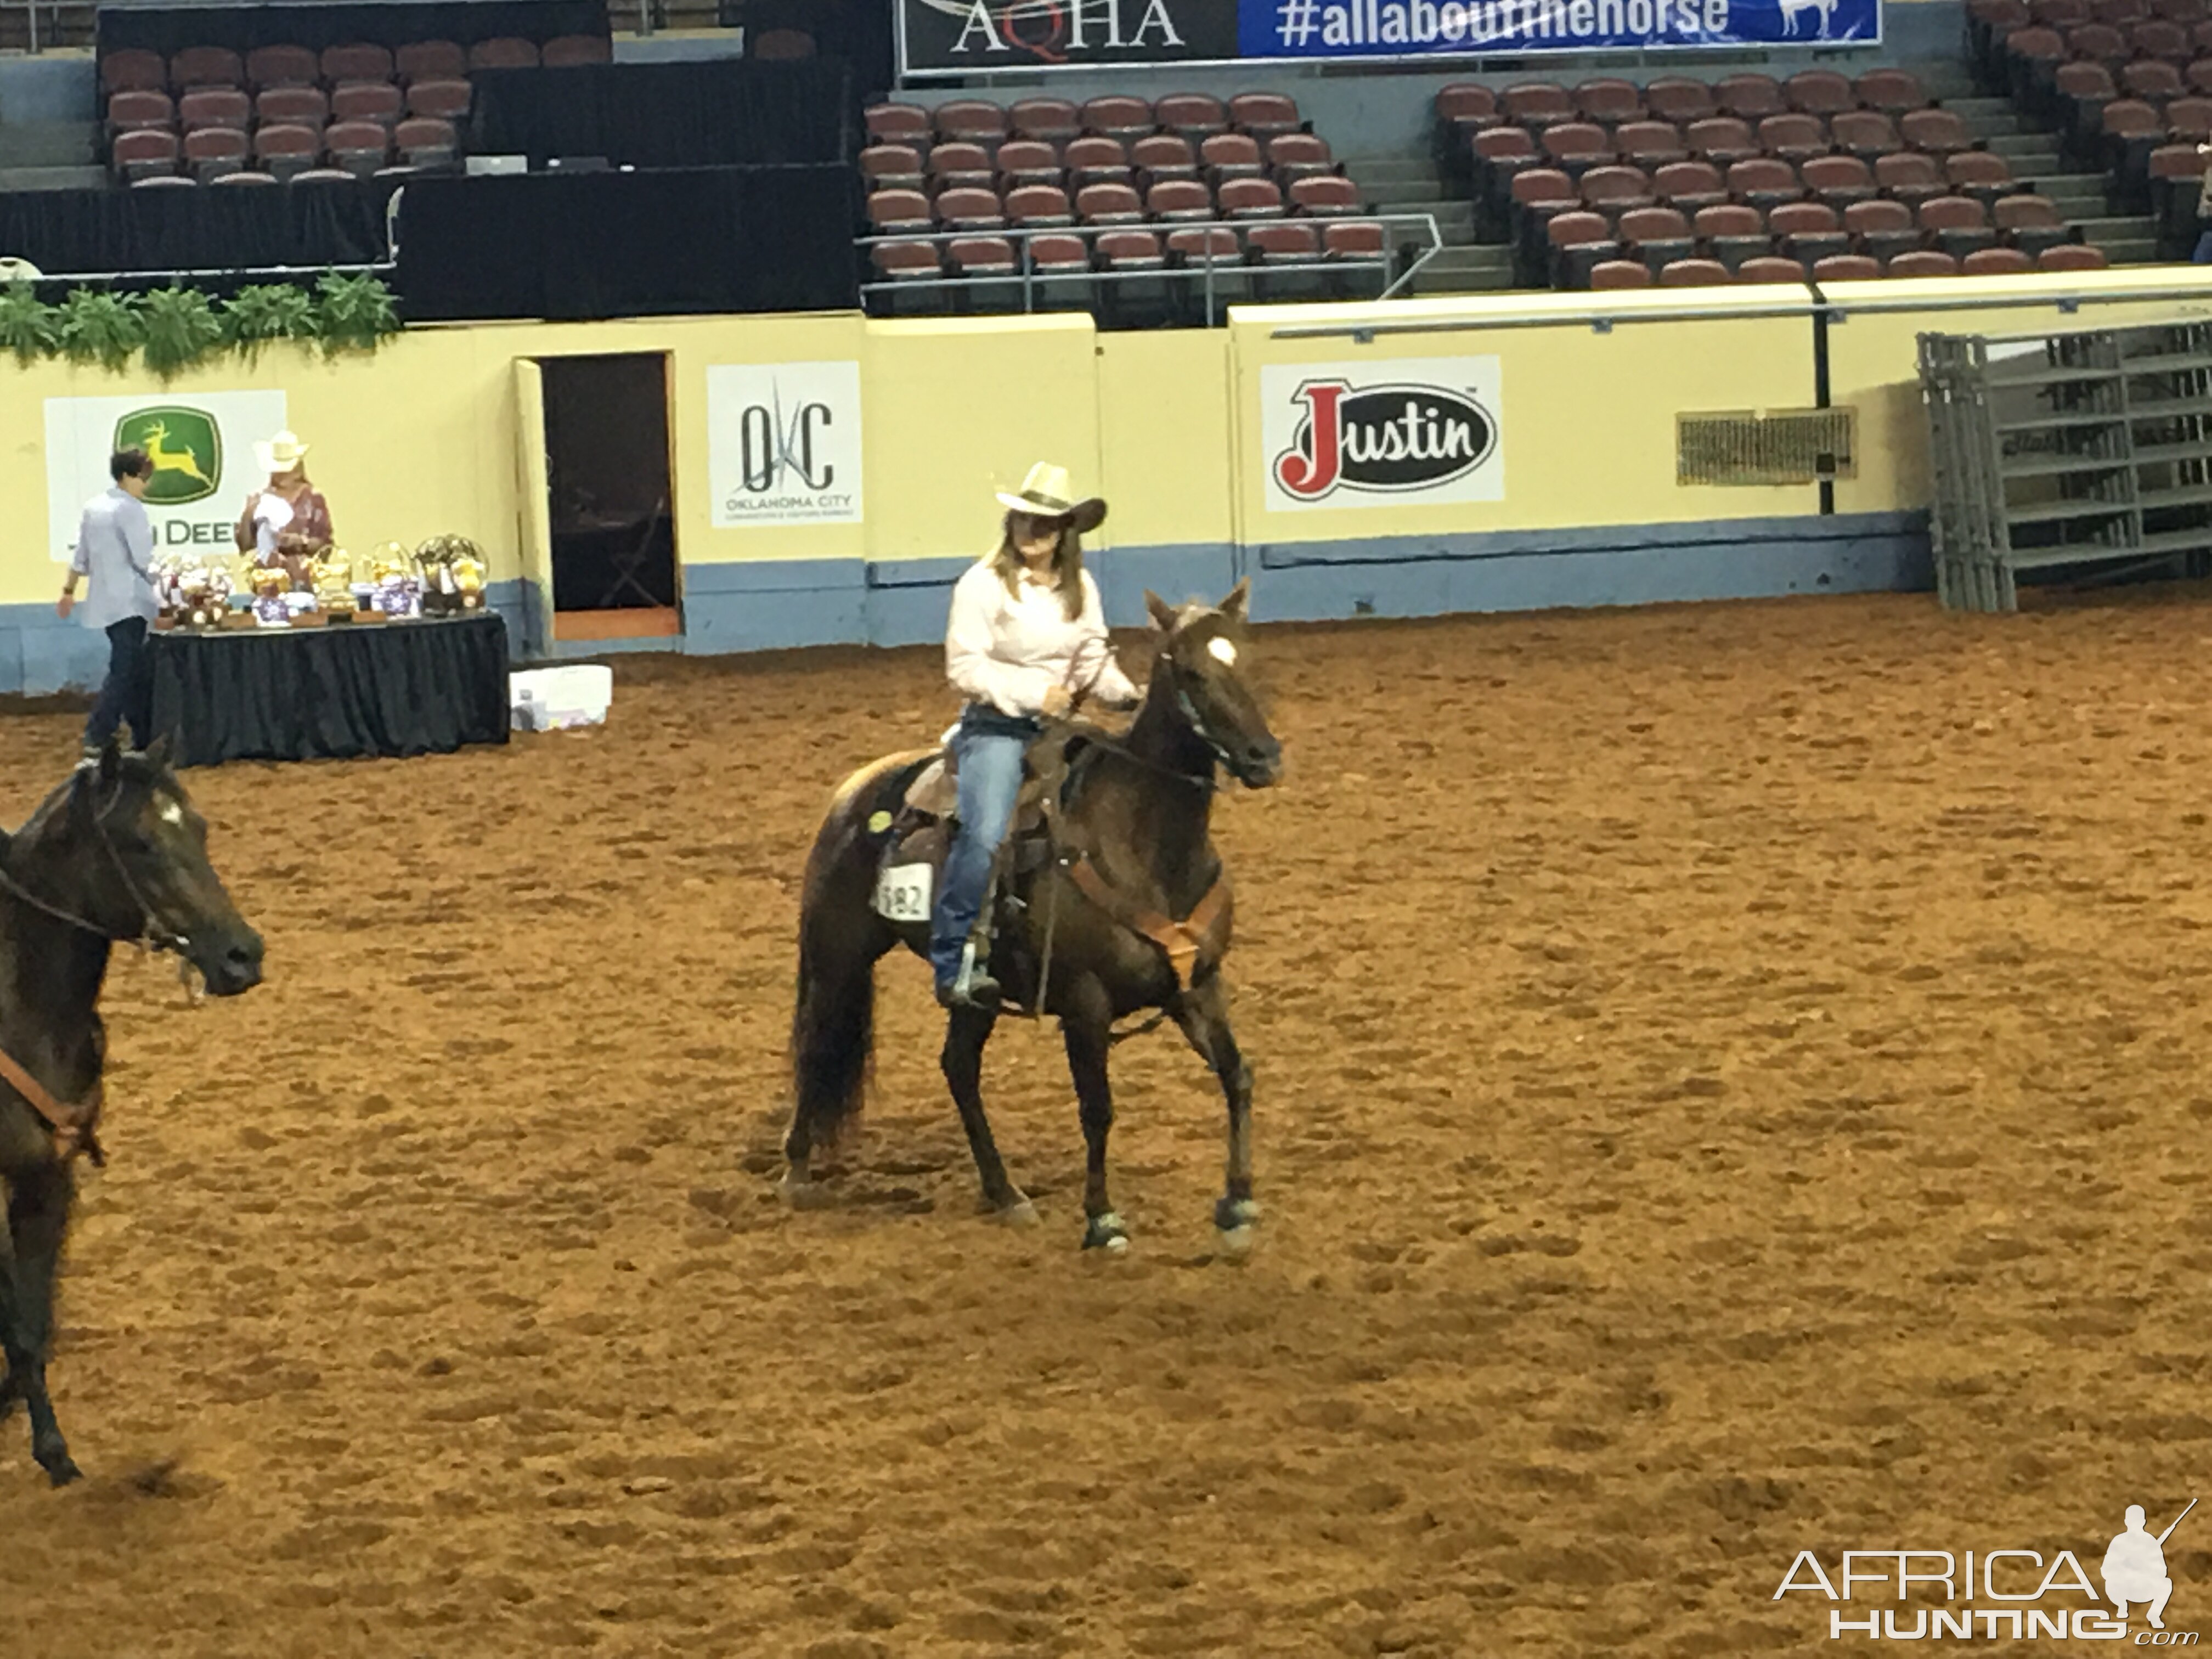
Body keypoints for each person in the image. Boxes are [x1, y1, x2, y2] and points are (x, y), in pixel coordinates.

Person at [928, 462, 1140, 1009]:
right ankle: (955, 960)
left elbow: (1093, 657)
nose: (1032, 531)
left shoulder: (1081, 587)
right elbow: (965, 668)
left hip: (1059, 728)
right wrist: (1032, 694)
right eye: (1024, 519)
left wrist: (1126, 694)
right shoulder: (983, 583)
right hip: (996, 728)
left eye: (1045, 523)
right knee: (985, 833)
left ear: (1066, 531)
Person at [57, 447, 159, 758]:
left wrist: (68, 590)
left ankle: (142, 733)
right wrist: (170, 589)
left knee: (131, 668)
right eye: (143, 478)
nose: (146, 485)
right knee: (125, 669)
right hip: (131, 600)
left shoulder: (94, 507)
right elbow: (143, 559)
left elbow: (81, 557)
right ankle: (99, 732)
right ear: (128, 476)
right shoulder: (132, 510)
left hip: (105, 602)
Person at [233, 430, 334, 590]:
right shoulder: (259, 499)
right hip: (266, 579)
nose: (281, 475)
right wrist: (249, 515)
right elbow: (244, 545)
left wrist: (300, 542)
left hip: (302, 576)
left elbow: (325, 545)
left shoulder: (313, 499)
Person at [2103, 1504, 2182, 1628]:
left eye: (2137, 1521)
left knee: (2166, 1583)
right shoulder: (2119, 1541)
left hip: (2144, 1588)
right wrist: (2126, 1568)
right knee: (2111, 1582)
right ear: (2126, 1522)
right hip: (2123, 1588)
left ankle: (2154, 1615)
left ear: (2143, 1522)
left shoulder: (2151, 1542)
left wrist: (2145, 1568)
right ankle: (2122, 1606)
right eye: (2132, 1521)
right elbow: (2106, 1571)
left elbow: (2163, 1571)